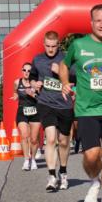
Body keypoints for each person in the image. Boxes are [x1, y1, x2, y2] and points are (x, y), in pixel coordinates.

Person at [60, 4, 102, 202]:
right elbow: (63, 65)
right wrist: (64, 82)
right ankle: (95, 182)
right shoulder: (78, 45)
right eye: (98, 20)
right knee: (91, 156)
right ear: (91, 23)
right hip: (86, 109)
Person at [31, 31, 74, 191]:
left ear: (58, 45)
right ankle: (51, 176)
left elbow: (76, 77)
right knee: (50, 139)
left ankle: (63, 172)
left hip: (64, 105)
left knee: (63, 141)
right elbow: (33, 76)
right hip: (45, 103)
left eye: (53, 46)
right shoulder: (38, 59)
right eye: (48, 46)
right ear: (44, 45)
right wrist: (34, 83)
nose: (50, 49)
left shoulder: (66, 58)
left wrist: (62, 72)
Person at [12, 61, 42, 170]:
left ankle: (33, 159)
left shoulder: (36, 84)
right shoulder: (17, 82)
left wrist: (33, 94)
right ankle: (26, 160)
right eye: (24, 70)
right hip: (22, 111)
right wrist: (15, 96)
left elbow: (41, 98)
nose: (26, 72)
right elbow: (15, 91)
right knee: (24, 135)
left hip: (35, 111)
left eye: (29, 71)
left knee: (34, 139)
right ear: (22, 71)